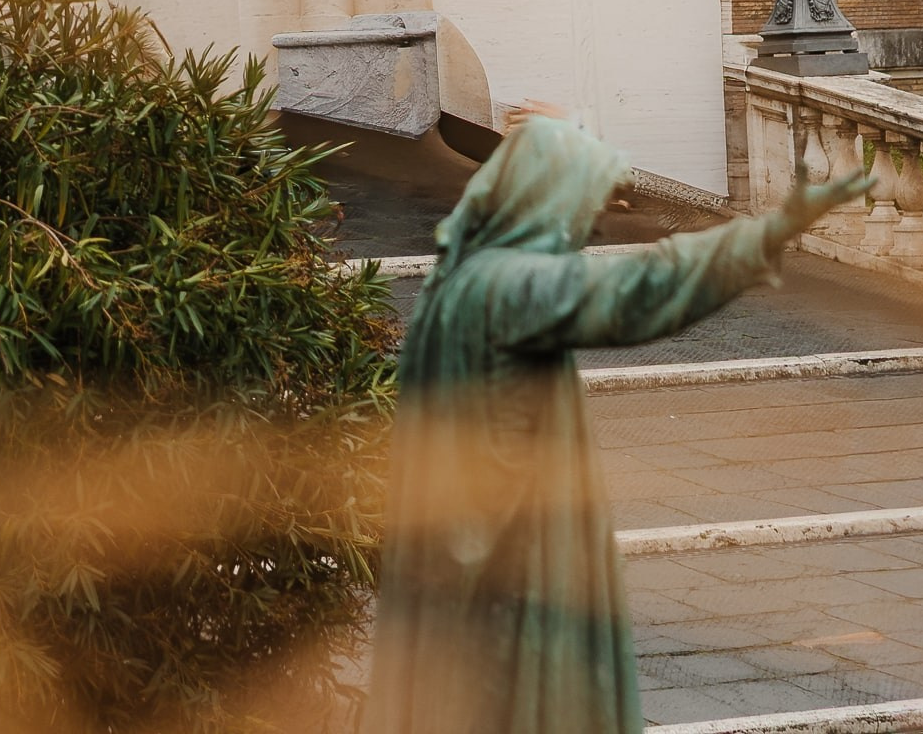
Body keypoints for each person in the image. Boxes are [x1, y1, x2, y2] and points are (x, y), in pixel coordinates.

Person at [365, 115, 866, 734]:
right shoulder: (506, 286)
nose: (592, 222)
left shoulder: (459, 283)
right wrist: (772, 231)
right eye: (584, 202)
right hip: (509, 563)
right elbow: (633, 290)